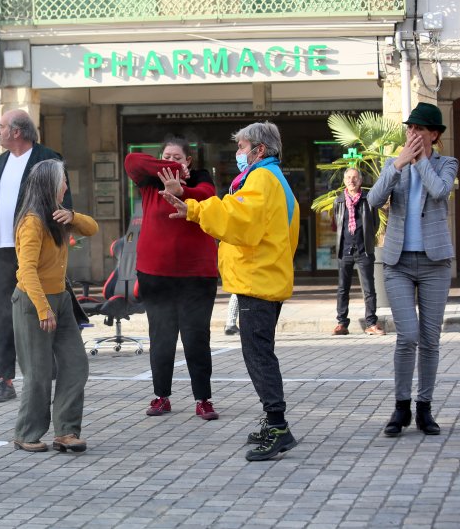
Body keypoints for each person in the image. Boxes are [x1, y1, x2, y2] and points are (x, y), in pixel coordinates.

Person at [160, 122, 300, 462]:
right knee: (261, 354)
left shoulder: (262, 179)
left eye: (242, 146)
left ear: (259, 150)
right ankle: (273, 422)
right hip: (264, 278)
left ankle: (278, 426)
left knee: (259, 357)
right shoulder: (272, 178)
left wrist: (193, 209)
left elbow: (238, 218)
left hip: (258, 282)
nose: (238, 152)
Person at [0, 109, 71, 403]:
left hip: (37, 247)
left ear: (17, 132)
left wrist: (65, 228)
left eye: (1, 126)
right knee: (3, 315)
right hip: (3, 249)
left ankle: (49, 374)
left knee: (42, 309)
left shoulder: (47, 158)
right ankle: (5, 380)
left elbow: (65, 201)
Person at [367, 102, 458, 437]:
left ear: (433, 134)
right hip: (398, 263)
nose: (413, 134)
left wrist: (420, 162)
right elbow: (374, 200)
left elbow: (440, 191)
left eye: (419, 129)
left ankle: (425, 408)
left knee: (430, 340)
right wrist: (398, 164)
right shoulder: (395, 163)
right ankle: (401, 406)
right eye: (410, 128)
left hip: (435, 263)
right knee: (407, 336)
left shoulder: (447, 163)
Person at [124, 137, 220, 420]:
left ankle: (203, 399)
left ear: (189, 160)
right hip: (156, 274)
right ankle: (161, 396)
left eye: (177, 158)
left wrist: (181, 189)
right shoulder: (149, 180)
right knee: (161, 337)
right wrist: (173, 170)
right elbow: (132, 160)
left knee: (196, 338)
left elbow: (206, 196)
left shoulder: (201, 178)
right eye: (165, 156)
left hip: (196, 275)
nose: (170, 161)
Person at [11, 159, 98, 452]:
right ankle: (26, 433)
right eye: (63, 181)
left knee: (75, 365)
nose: (66, 186)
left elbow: (92, 228)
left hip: (60, 298)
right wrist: (42, 308)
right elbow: (27, 270)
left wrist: (72, 216)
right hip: (33, 301)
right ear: (50, 185)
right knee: (38, 372)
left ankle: (66, 431)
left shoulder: (58, 216)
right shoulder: (32, 221)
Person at [332, 167, 385, 336]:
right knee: (343, 288)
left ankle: (371, 323)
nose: (351, 180)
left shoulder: (368, 200)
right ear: (344, 181)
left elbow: (375, 223)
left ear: (360, 181)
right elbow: (336, 224)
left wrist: (366, 238)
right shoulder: (339, 201)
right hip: (345, 249)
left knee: (369, 288)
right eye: (348, 177)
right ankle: (342, 323)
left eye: (354, 177)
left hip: (364, 250)